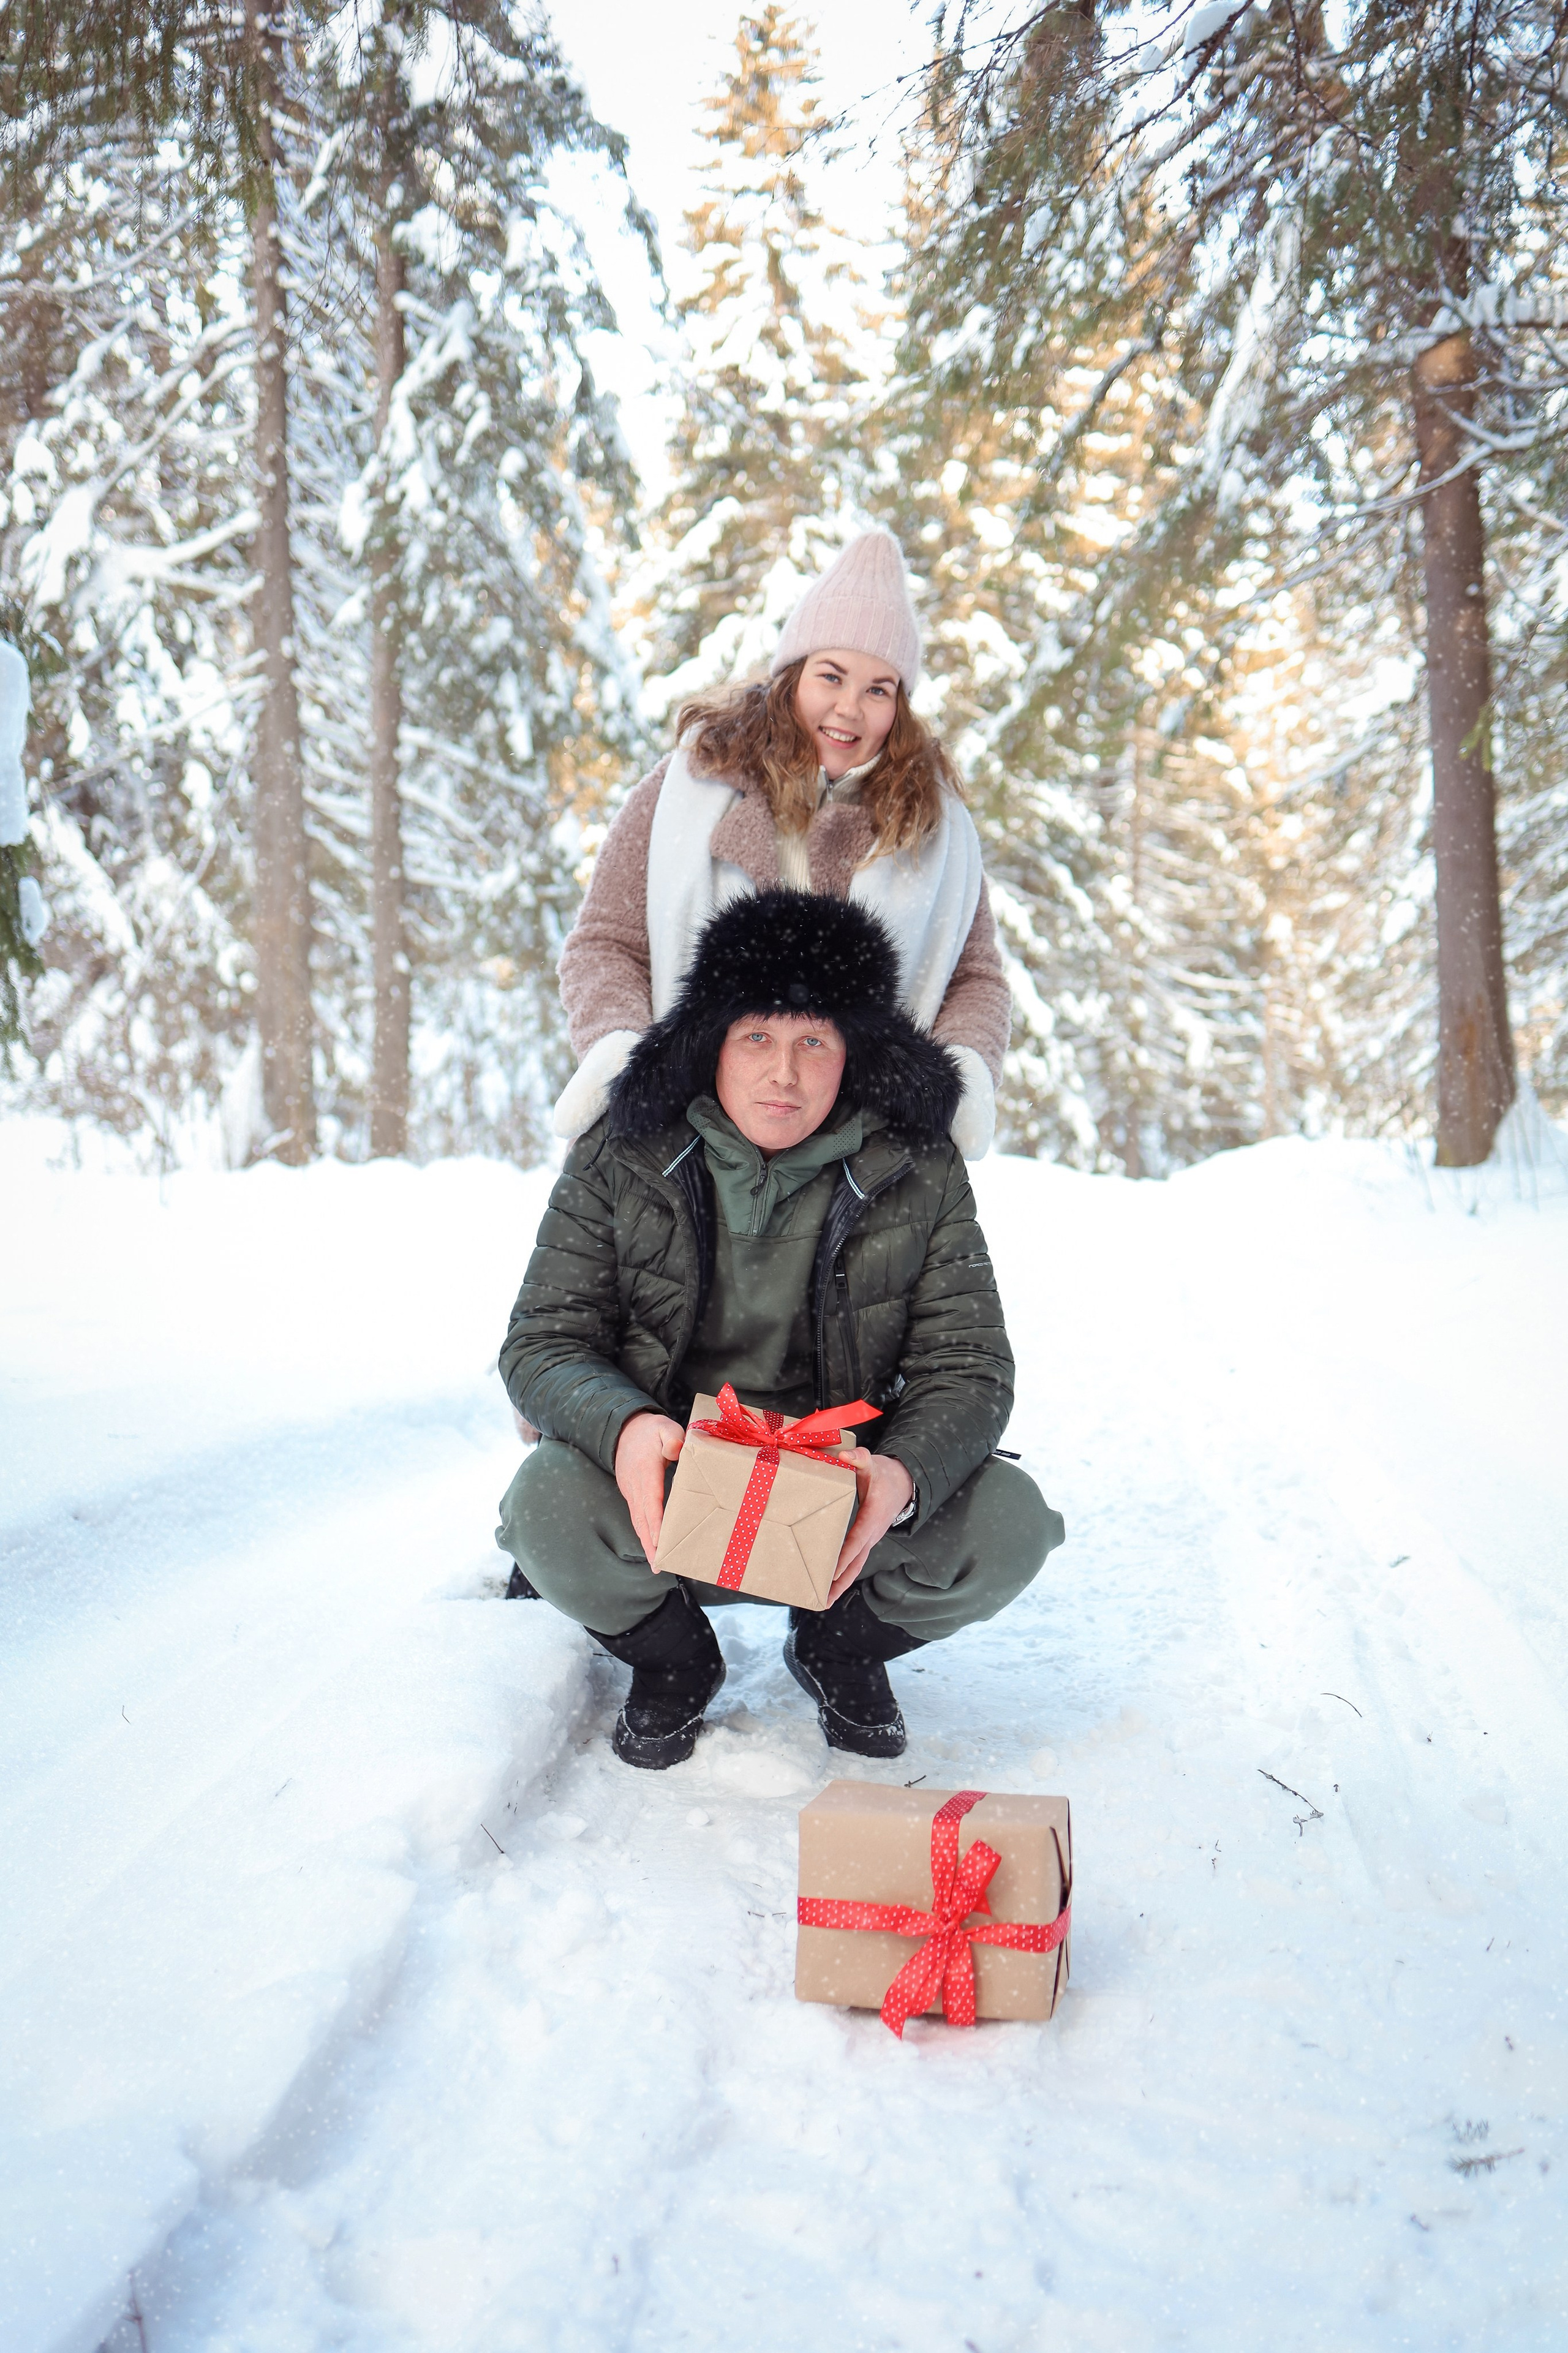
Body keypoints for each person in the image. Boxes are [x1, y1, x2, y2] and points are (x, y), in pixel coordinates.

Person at [497, 888, 1065, 1770]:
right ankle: (674, 1657)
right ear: (712, 1041)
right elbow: (541, 1340)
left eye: (815, 1041)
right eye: (757, 1036)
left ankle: (839, 1643)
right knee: (545, 1504)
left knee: (1011, 1523)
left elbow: (971, 1367)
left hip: (833, 1510)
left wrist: (900, 1476)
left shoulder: (919, 1166)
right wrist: (628, 1429)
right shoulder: (623, 1149)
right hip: (672, 1496)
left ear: (855, 1053)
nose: (784, 1073)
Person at [551, 527, 1009, 1165]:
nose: (849, 709)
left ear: (899, 704)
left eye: (878, 689)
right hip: (686, 1145)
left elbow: (975, 977)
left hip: (861, 1163)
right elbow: (605, 942)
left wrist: (964, 1069)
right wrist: (619, 1044)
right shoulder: (690, 783)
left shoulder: (935, 826)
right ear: (793, 672)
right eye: (832, 676)